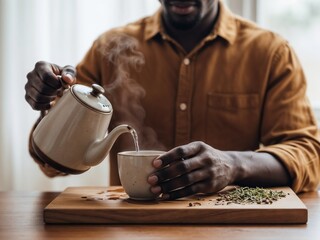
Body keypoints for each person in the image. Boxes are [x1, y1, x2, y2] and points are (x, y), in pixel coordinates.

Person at [25, 0, 320, 200]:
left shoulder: (270, 53)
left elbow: (308, 155)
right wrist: (50, 104)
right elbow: (54, 163)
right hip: (130, 230)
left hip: (230, 229)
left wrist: (234, 164)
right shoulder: (109, 48)